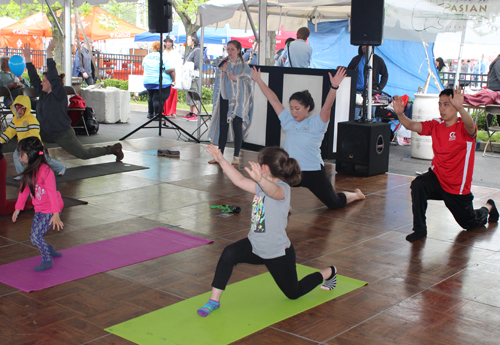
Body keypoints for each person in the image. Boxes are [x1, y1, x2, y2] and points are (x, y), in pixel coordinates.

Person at [197, 145, 338, 317]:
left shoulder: (283, 189)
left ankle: (329, 272)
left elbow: (273, 191)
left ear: (264, 168)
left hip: (278, 252)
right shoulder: (260, 187)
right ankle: (214, 300)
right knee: (229, 254)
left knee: (293, 293)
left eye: (259, 164)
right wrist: (221, 160)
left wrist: (261, 180)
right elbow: (240, 180)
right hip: (255, 245)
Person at [392, 87, 499, 243]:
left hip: (457, 187)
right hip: (437, 178)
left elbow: (471, 127)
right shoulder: (436, 124)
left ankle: (488, 208)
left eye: (446, 104)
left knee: (469, 223)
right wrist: (400, 114)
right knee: (418, 185)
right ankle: (420, 229)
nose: (442, 108)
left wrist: (461, 108)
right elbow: (412, 126)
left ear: (455, 105)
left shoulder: (464, 127)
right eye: (440, 104)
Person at [251, 66, 365, 209]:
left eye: (297, 108)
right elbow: (273, 99)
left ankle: (355, 195)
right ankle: (284, 205)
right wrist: (259, 80)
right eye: (291, 108)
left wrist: (334, 86)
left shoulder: (317, 123)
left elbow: (327, 107)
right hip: (290, 170)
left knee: (334, 203)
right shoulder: (288, 120)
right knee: (269, 184)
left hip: (313, 171)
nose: (293, 112)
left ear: (307, 108)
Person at [23, 41, 124, 161]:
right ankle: (42, 159)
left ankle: (112, 149)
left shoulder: (58, 94)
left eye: (44, 80)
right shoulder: (43, 93)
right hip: (45, 133)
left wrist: (49, 52)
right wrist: (27, 58)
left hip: (62, 134)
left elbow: (53, 75)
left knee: (84, 154)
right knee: (27, 139)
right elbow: (34, 79)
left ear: (51, 83)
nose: (41, 83)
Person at [12, 136, 64, 271]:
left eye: (21, 154)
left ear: (30, 155)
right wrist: (18, 208)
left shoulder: (46, 171)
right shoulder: (30, 171)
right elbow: (24, 190)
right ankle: (49, 249)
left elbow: (52, 194)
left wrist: (56, 214)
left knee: (36, 236)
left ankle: (47, 259)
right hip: (40, 209)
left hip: (52, 209)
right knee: (34, 239)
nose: (20, 158)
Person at [207, 40, 254, 166]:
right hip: (224, 98)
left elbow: (249, 82)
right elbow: (218, 82)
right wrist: (224, 71)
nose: (230, 52)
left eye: (232, 49)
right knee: (223, 127)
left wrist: (236, 79)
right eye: (228, 49)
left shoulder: (244, 67)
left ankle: (236, 156)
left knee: (237, 127)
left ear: (238, 50)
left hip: (238, 102)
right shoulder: (224, 63)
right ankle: (219, 155)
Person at [0, 95, 65, 179]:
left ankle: (61, 167)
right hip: (22, 147)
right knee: (16, 157)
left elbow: (33, 133)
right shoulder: (15, 119)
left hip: (35, 147)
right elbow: (9, 132)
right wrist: (1, 140)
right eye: (17, 108)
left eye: (22, 108)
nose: (19, 110)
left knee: (44, 158)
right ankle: (21, 174)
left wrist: (24, 144)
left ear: (26, 108)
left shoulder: (31, 119)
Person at [142, 41, 175, 120]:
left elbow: (143, 66)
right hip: (160, 81)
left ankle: (150, 113)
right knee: (159, 98)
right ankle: (158, 114)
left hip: (148, 80)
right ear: (162, 48)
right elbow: (170, 69)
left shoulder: (147, 57)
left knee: (151, 97)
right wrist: (174, 80)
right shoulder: (164, 57)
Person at [182, 33, 202, 121]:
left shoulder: (197, 50)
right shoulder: (190, 50)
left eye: (189, 39)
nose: (187, 41)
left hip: (194, 75)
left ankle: (195, 113)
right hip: (189, 75)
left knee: (194, 92)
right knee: (189, 93)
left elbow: (197, 63)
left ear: (193, 40)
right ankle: (191, 112)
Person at [162, 36, 182, 119]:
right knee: (164, 94)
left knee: (173, 93)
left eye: (169, 42)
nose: (168, 43)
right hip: (165, 75)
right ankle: (164, 111)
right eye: (166, 42)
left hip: (173, 74)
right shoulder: (163, 53)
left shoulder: (175, 53)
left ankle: (172, 111)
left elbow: (178, 64)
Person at [486, 54, 500, 126]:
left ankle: (487, 128)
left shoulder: (497, 61)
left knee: (495, 110)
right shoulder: (498, 62)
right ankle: (486, 127)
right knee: (493, 110)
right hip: (495, 89)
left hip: (494, 89)